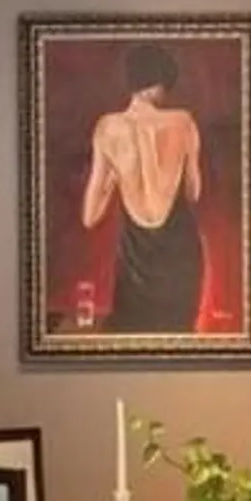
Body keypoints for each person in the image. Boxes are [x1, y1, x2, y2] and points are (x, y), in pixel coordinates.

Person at [80, 41, 206, 334]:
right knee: (177, 344)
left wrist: (118, 176)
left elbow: (90, 217)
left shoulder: (107, 128)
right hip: (179, 252)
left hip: (135, 257)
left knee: (131, 341)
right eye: (165, 87)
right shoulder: (183, 123)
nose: (165, 95)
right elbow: (193, 193)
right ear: (157, 85)